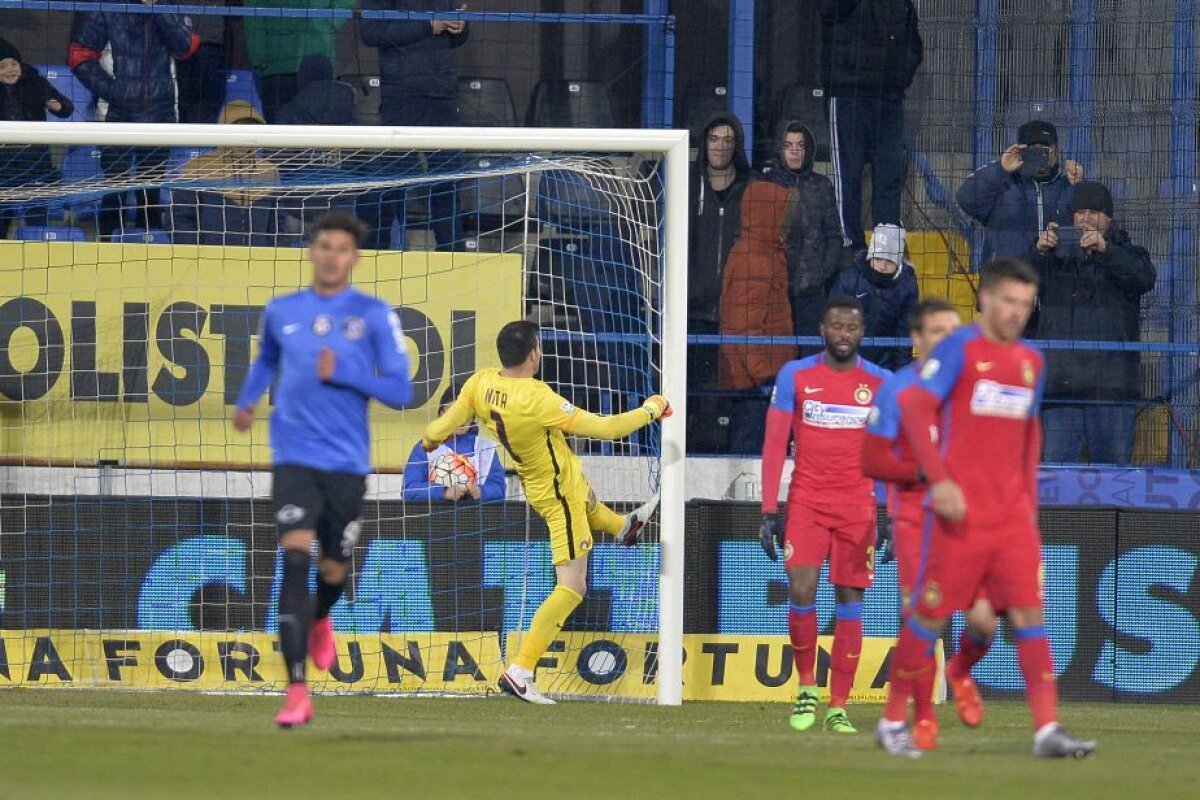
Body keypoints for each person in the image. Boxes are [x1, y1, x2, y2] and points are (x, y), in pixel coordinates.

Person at [875, 257, 1096, 759]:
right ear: (987, 300)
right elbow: (914, 406)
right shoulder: (959, 348)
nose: (1017, 312)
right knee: (927, 617)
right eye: (1009, 301)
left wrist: (1030, 511)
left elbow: (1028, 434)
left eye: (1025, 303)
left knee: (1028, 615)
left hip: (1011, 518)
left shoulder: (1032, 362)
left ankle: (1046, 730)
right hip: (958, 518)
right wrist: (940, 478)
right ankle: (892, 721)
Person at [422, 320, 669, 704]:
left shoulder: (480, 383)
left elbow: (444, 425)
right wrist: (652, 409)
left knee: (590, 503)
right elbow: (606, 428)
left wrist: (429, 439)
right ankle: (520, 669)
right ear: (535, 352)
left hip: (540, 485)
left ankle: (624, 528)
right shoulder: (538, 399)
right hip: (559, 496)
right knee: (573, 586)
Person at [232, 212, 414, 727]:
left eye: (342, 248)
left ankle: (322, 618)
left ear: (354, 258)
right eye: (324, 246)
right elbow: (266, 360)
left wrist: (349, 372)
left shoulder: (375, 315)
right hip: (293, 455)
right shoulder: (282, 310)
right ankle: (295, 691)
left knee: (333, 568)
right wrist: (247, 402)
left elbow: (402, 391)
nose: (332, 256)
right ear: (312, 252)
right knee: (293, 561)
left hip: (346, 463)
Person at [861, 297, 999, 751]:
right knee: (925, 619)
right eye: (938, 331)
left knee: (985, 623)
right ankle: (918, 719)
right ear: (917, 340)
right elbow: (873, 459)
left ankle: (959, 670)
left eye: (954, 331)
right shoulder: (897, 390)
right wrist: (924, 475)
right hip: (915, 518)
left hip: (967, 520)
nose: (949, 340)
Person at [759, 295, 890, 735]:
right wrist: (768, 511)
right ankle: (806, 688)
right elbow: (776, 444)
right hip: (807, 502)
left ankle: (839, 706)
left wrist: (887, 511)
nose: (843, 335)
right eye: (836, 326)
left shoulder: (880, 382)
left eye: (851, 327)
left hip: (858, 507)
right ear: (822, 328)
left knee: (851, 601)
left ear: (862, 332)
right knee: (801, 588)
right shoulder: (795, 375)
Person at [1029, 180, 1156, 464]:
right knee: (1056, 482)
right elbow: (1015, 283)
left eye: (1095, 212)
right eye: (1080, 212)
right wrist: (1038, 251)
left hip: (1112, 391)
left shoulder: (1127, 252)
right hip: (1061, 391)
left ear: (1109, 219)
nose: (1086, 219)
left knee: (1113, 482)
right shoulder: (1052, 258)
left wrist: (1105, 250)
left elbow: (1144, 277)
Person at [69, 6, 200, 236]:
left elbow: (187, 47)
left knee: (150, 190)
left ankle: (150, 249)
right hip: (115, 115)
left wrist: (159, 11)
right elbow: (79, 56)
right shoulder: (106, 9)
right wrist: (114, 91)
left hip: (161, 114)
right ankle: (107, 246)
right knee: (115, 188)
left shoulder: (171, 8)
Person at [360, 0, 469, 251]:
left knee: (447, 184)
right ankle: (382, 253)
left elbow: (457, 37)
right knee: (394, 184)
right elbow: (370, 32)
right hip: (402, 98)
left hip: (443, 95)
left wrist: (460, 26)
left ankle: (452, 257)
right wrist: (427, 26)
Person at [819, 0, 922, 252]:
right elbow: (828, 9)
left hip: (890, 97)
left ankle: (886, 253)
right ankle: (850, 248)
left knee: (889, 180)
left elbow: (913, 43)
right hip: (848, 94)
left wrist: (900, 77)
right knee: (848, 178)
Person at [687, 112, 753, 453]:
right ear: (704, 143)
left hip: (736, 313)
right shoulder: (686, 183)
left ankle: (732, 455)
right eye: (715, 139)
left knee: (732, 391)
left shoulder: (750, 188)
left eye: (728, 140)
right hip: (692, 311)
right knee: (688, 392)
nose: (721, 146)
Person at [718, 180, 796, 455]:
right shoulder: (755, 258)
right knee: (752, 456)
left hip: (763, 379)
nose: (787, 220)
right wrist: (764, 377)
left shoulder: (767, 253)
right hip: (755, 385)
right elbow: (744, 325)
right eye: (783, 212)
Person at [761, 120, 847, 340]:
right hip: (773, 293)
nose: (795, 151)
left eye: (800, 145)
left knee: (809, 360)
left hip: (812, 295)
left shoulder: (822, 186)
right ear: (779, 149)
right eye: (788, 145)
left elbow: (834, 238)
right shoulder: (765, 185)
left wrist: (820, 275)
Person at [957, 120, 1083, 267]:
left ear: (1056, 151)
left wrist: (1079, 187)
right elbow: (965, 199)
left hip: (1054, 281)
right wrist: (1001, 168)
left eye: (1045, 148)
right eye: (1033, 149)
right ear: (1021, 151)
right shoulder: (1002, 183)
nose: (1040, 154)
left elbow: (1088, 227)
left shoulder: (1067, 185)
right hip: (1007, 277)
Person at [170, 100, 295, 247]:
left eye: (251, 130)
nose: (244, 137)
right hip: (208, 262)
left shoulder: (269, 171)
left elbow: (278, 224)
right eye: (240, 129)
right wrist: (196, 256)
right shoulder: (198, 167)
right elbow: (180, 220)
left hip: (257, 262)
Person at [0, 38, 73, 236]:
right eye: (3, 66)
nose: (10, 70)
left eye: (14, 64)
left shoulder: (35, 82)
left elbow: (66, 107)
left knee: (36, 219)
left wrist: (57, 105)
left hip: (34, 165)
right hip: (3, 168)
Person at [243, 0, 354, 123]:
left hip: (318, 57)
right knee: (279, 132)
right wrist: (258, 54)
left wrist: (325, 24)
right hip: (276, 62)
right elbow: (252, 11)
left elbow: (345, 3)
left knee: (321, 131)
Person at [831, 223, 919, 370]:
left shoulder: (907, 287)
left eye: (889, 262)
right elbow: (834, 327)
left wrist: (900, 376)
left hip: (886, 362)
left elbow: (904, 335)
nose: (882, 267)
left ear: (899, 262)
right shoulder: (848, 280)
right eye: (878, 259)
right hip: (850, 359)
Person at [403, 384, 506, 503]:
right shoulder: (426, 447)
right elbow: (408, 490)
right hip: (436, 519)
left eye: (467, 412)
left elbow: (500, 489)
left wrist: (480, 492)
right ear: (442, 413)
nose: (461, 419)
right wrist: (444, 492)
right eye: (454, 412)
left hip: (477, 519)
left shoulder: (486, 449)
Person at [177, 0, 229, 124]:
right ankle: (185, 136)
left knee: (209, 98)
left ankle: (205, 138)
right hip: (184, 40)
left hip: (210, 42)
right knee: (185, 96)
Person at [275, 55, 356, 126]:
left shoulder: (288, 113)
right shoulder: (348, 108)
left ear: (302, 77)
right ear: (330, 75)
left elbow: (278, 140)